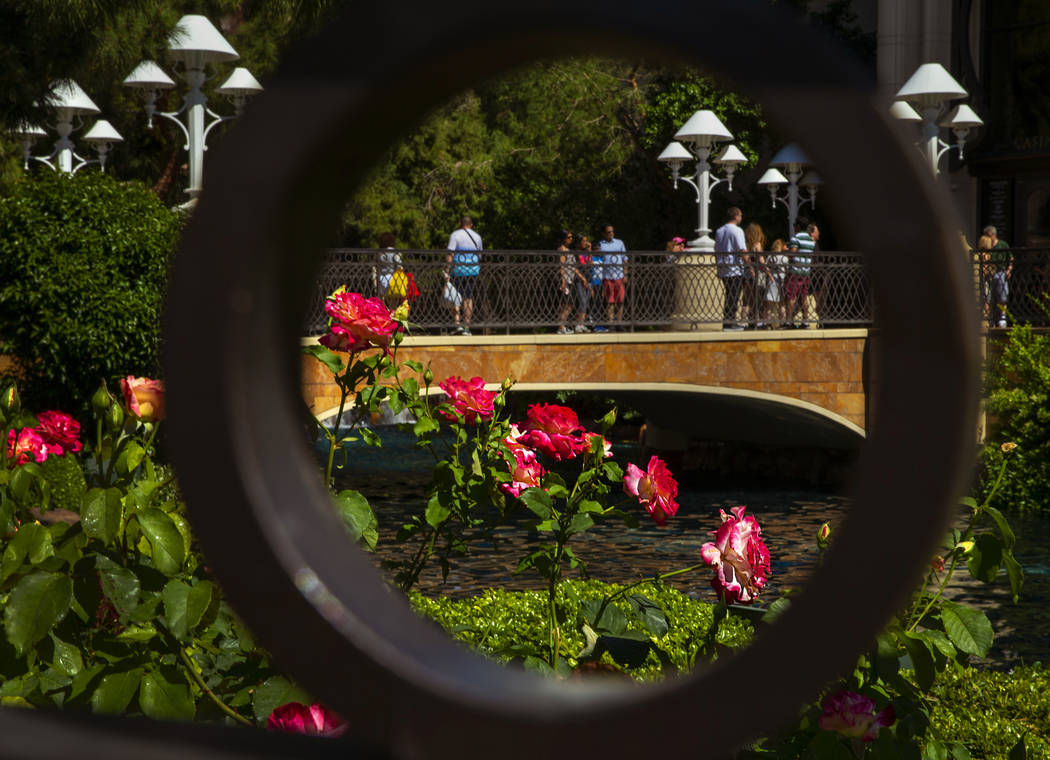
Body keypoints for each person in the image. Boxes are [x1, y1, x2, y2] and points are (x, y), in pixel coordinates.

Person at [446, 214, 482, 335]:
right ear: (471, 225)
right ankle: (467, 327)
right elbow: (480, 254)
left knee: (455, 296)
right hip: (472, 270)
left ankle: (457, 324)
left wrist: (447, 271)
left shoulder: (455, 235)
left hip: (458, 270)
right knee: (468, 297)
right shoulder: (477, 236)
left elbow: (450, 254)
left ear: (460, 223)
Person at [714, 207, 746, 330]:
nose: (741, 218)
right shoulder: (737, 231)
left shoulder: (720, 230)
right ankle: (729, 322)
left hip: (723, 267)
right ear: (736, 216)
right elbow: (742, 249)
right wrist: (749, 263)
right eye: (740, 215)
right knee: (734, 295)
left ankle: (728, 321)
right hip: (734, 268)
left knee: (730, 294)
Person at [786, 217, 816, 328]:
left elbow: (792, 253)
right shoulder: (810, 239)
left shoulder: (796, 237)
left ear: (798, 226)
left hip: (795, 272)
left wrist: (787, 253)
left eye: (795, 225)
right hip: (806, 272)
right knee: (804, 296)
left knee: (791, 296)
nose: (794, 227)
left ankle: (789, 321)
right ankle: (805, 321)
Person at [982, 225, 1012, 327]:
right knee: (988, 297)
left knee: (1002, 296)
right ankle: (990, 319)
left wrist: (1009, 270)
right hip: (989, 274)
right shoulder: (986, 245)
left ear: (994, 235)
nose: (987, 237)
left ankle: (1002, 318)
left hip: (1000, 272)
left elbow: (1010, 258)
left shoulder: (1003, 244)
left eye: (988, 235)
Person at [742, 223, 771, 329]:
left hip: (746, 273)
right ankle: (757, 321)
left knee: (746, 299)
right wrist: (769, 274)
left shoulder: (745, 244)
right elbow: (761, 261)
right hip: (756, 273)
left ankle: (744, 321)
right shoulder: (757, 244)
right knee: (757, 298)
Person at [599, 224, 628, 329]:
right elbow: (597, 257)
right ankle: (611, 323)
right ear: (604, 234)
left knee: (620, 301)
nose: (611, 234)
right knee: (610, 301)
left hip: (619, 276)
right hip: (607, 276)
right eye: (608, 232)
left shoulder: (619, 243)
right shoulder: (601, 244)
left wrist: (625, 273)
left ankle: (619, 323)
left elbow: (625, 258)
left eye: (612, 231)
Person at [376, 232, 404, 310]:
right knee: (392, 303)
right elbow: (399, 265)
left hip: (381, 278)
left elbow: (377, 267)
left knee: (381, 301)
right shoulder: (394, 252)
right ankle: (392, 318)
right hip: (392, 278)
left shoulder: (380, 253)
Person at [555, 229, 576, 334]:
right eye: (568, 237)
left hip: (570, 279)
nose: (571, 239)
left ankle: (562, 327)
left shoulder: (567, 249)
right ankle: (561, 327)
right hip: (565, 280)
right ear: (563, 238)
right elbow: (561, 266)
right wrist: (563, 280)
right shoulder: (562, 250)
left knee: (566, 304)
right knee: (567, 304)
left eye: (571, 237)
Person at [765, 239, 789, 327]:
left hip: (772, 281)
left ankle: (768, 323)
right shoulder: (785, 258)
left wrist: (770, 275)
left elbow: (766, 268)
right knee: (782, 304)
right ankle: (782, 323)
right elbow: (787, 270)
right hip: (781, 280)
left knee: (769, 305)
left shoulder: (770, 257)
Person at [572, 234, 594, 333]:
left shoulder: (586, 252)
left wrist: (590, 251)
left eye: (586, 240)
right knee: (582, 301)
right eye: (584, 241)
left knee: (586, 301)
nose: (586, 243)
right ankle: (578, 324)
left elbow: (591, 264)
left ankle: (582, 323)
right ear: (579, 242)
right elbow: (574, 268)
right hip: (579, 280)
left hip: (588, 279)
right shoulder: (576, 253)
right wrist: (582, 278)